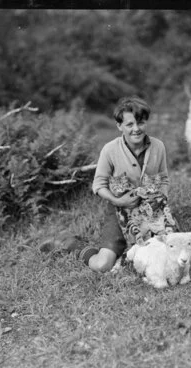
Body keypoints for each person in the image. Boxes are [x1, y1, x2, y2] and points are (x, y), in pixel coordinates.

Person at [40, 96, 170, 272]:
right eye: (129, 125)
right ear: (119, 126)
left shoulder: (158, 146)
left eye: (140, 123)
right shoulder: (110, 150)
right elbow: (99, 185)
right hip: (119, 211)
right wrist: (118, 201)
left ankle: (132, 247)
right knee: (102, 265)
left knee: (166, 255)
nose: (136, 129)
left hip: (150, 213)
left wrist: (160, 199)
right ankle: (70, 243)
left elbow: (163, 179)